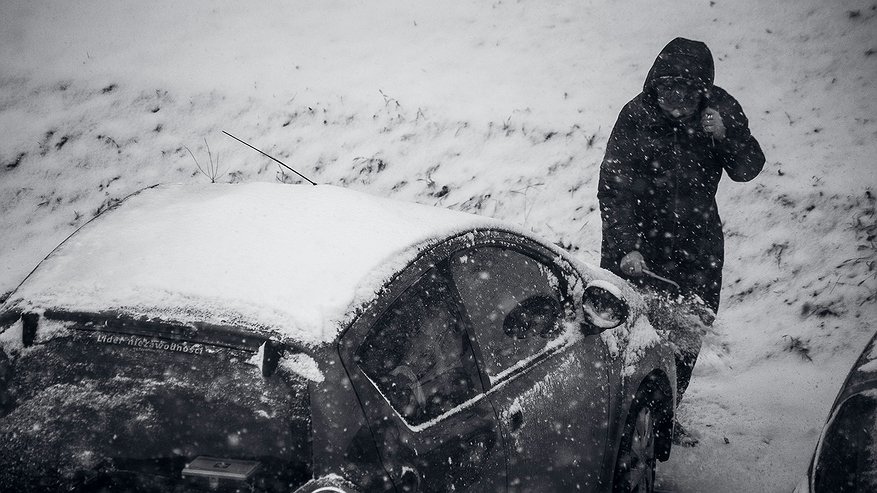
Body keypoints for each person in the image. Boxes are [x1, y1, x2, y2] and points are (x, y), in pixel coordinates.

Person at [597, 37, 765, 441]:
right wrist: (626, 247)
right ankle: (615, 418)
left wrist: (726, 135)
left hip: (697, 247)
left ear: (701, 91)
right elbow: (614, 187)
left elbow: (748, 168)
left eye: (685, 91)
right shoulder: (636, 116)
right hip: (639, 243)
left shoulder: (719, 111)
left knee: (686, 334)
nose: (675, 99)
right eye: (667, 88)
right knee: (626, 332)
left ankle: (662, 420)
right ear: (654, 85)